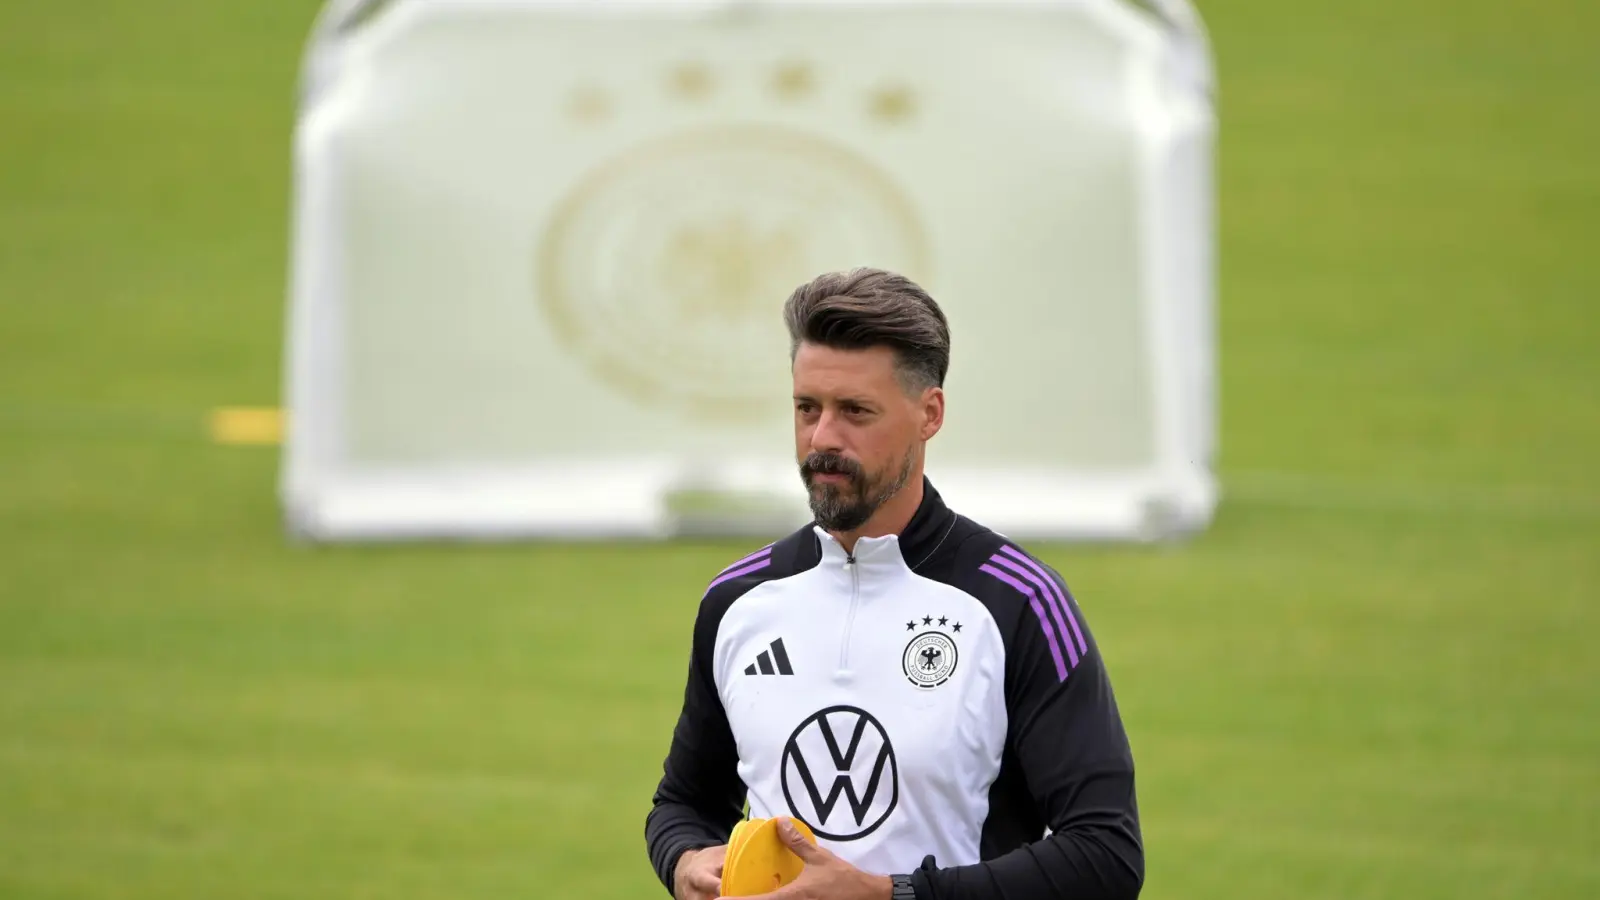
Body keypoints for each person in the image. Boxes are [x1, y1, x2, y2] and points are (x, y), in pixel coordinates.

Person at [643, 268, 1143, 900]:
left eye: (855, 411)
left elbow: (1106, 856)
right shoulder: (737, 602)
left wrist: (890, 894)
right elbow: (684, 803)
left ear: (928, 413)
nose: (822, 438)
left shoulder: (1019, 603)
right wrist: (684, 859)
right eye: (807, 409)